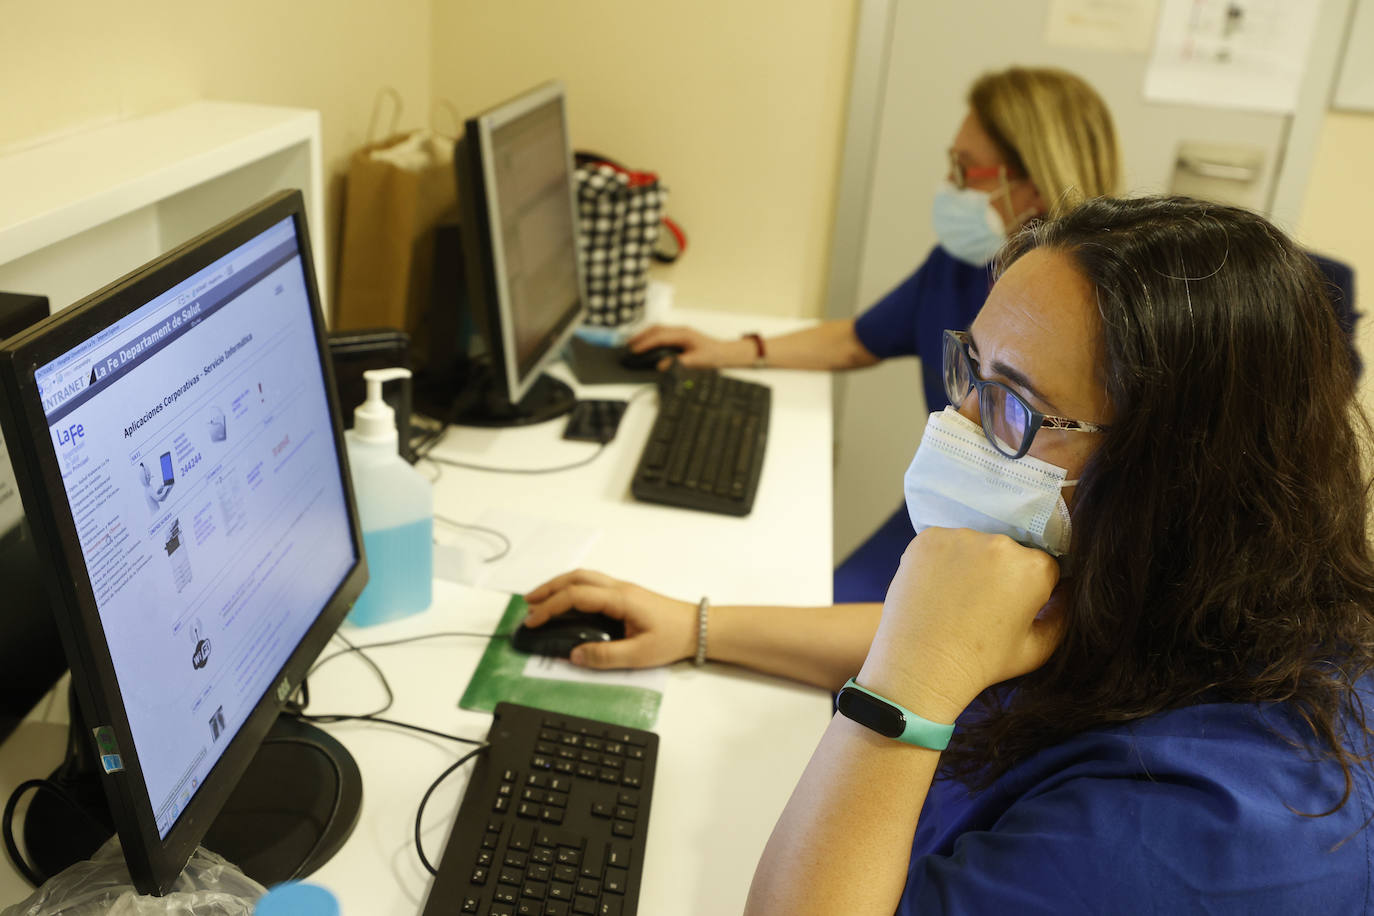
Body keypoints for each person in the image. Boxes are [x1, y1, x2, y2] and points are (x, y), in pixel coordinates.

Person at [526, 196, 1374, 910]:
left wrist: (901, 697)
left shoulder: (1193, 832)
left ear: (1176, 472)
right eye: (970, 369)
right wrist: (698, 625)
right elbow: (964, 639)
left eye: (1015, 403)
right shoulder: (1194, 584)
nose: (956, 425)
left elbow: (931, 662)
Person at [628, 65, 1122, 603]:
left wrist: (697, 628)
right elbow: (860, 338)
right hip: (947, 509)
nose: (951, 185)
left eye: (966, 169)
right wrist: (734, 350)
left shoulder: (1103, 316)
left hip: (1028, 556)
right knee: (827, 601)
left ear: (1031, 183)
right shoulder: (962, 263)